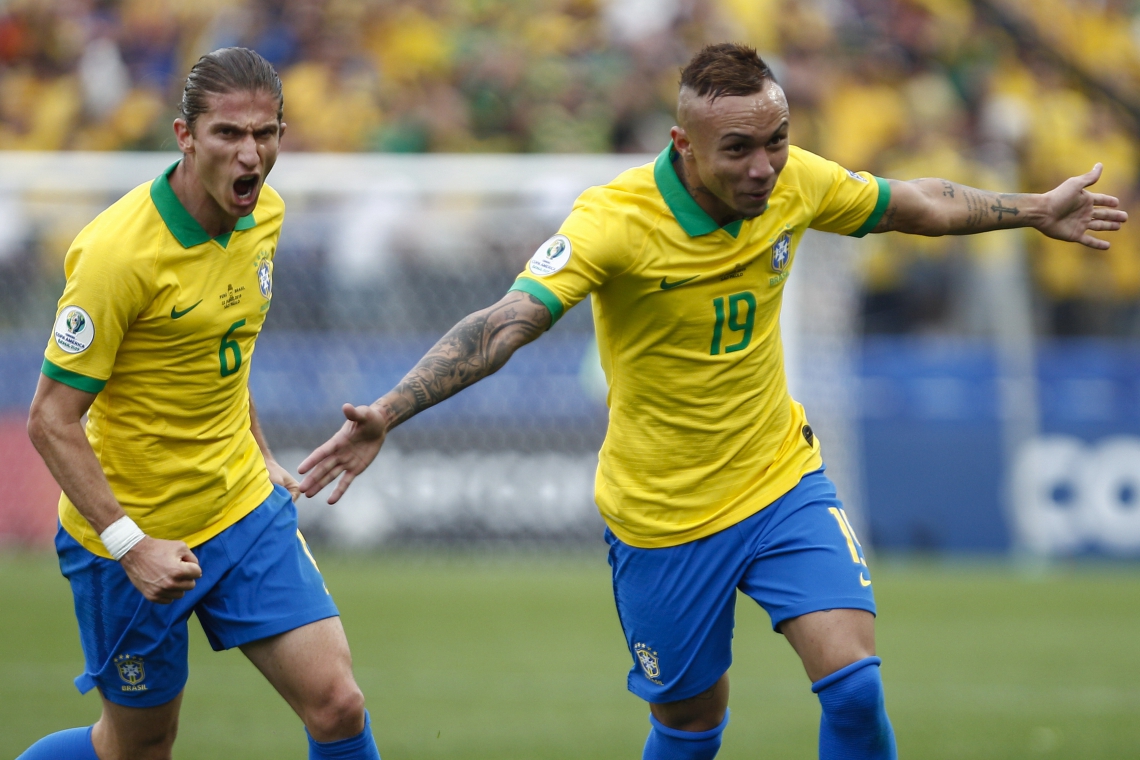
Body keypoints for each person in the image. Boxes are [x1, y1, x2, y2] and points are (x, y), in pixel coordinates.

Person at [296, 43, 1126, 760]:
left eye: (777, 142)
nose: (764, 166)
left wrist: (1031, 210)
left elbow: (916, 202)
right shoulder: (613, 220)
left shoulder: (794, 183)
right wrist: (391, 411)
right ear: (682, 145)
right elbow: (506, 323)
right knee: (693, 722)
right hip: (661, 517)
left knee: (853, 686)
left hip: (778, 482)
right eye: (739, 150)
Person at [21, 48, 380, 760]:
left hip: (240, 508)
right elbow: (49, 420)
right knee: (137, 747)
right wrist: (132, 547)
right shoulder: (116, 256)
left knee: (338, 706)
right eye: (228, 134)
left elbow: (221, 347)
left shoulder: (264, 215)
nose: (252, 154)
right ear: (186, 137)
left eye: (267, 133)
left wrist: (260, 451)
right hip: (130, 534)